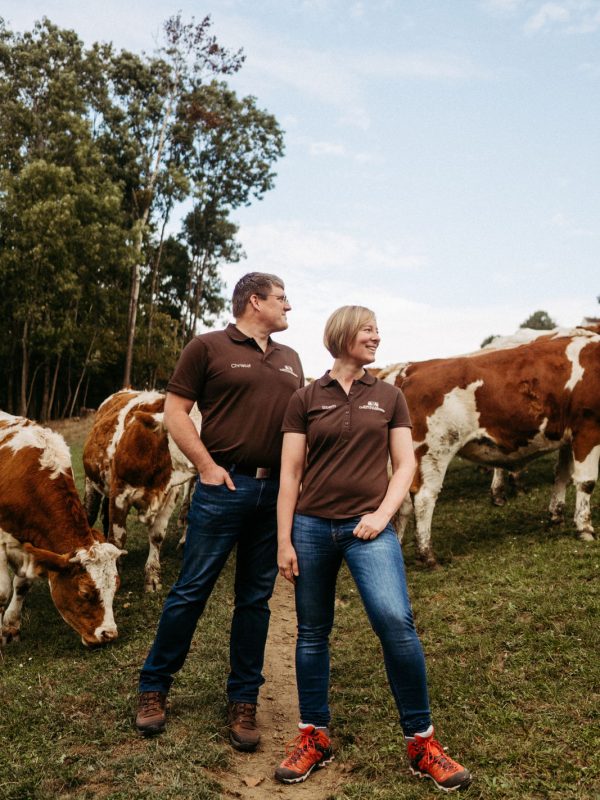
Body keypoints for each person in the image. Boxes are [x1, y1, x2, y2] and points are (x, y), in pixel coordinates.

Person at [274, 305, 471, 792]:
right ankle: (314, 738)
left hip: (370, 528)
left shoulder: (389, 396)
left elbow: (404, 465)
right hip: (312, 528)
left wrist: (381, 516)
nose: (377, 337)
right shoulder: (304, 398)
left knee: (395, 624)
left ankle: (422, 744)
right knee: (312, 632)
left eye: (377, 331)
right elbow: (290, 474)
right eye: (368, 330)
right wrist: (284, 540)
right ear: (342, 335)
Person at [136, 272, 304, 753]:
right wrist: (206, 467)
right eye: (281, 298)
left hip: (273, 493)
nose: (288, 306)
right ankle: (154, 688)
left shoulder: (291, 360)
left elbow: (298, 427)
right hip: (223, 486)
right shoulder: (207, 347)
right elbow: (175, 412)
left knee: (254, 600)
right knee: (191, 591)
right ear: (255, 301)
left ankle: (243, 700)